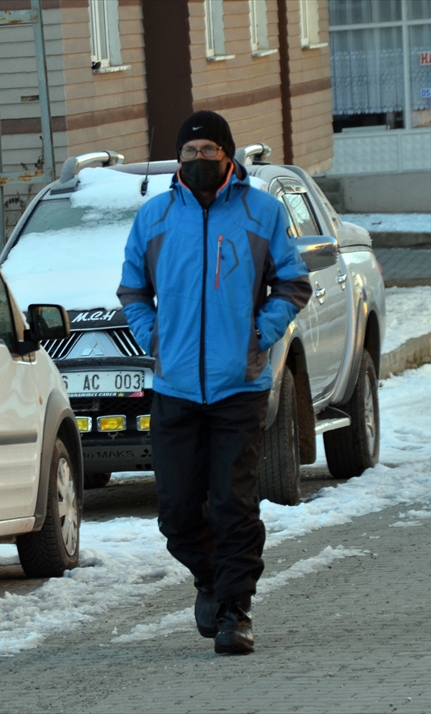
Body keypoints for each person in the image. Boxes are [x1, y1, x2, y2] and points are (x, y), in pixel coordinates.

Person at [117, 110, 312, 655]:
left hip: (238, 386)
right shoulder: (155, 217)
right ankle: (211, 580)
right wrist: (155, 338)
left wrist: (258, 335)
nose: (198, 159)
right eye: (189, 152)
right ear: (177, 159)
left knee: (233, 504)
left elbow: (293, 283)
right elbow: (133, 291)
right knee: (178, 514)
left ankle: (234, 610)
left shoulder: (261, 212)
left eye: (208, 151)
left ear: (228, 156)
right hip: (175, 387)